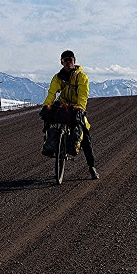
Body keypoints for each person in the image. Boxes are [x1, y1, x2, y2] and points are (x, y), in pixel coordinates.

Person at [39, 49, 100, 180]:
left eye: (70, 60)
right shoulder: (58, 77)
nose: (68, 63)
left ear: (74, 61)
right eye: (65, 60)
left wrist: (80, 108)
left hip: (77, 106)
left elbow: (83, 94)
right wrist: (46, 105)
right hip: (62, 104)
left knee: (85, 135)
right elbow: (51, 93)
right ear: (62, 62)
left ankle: (92, 166)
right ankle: (48, 144)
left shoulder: (81, 76)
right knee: (48, 118)